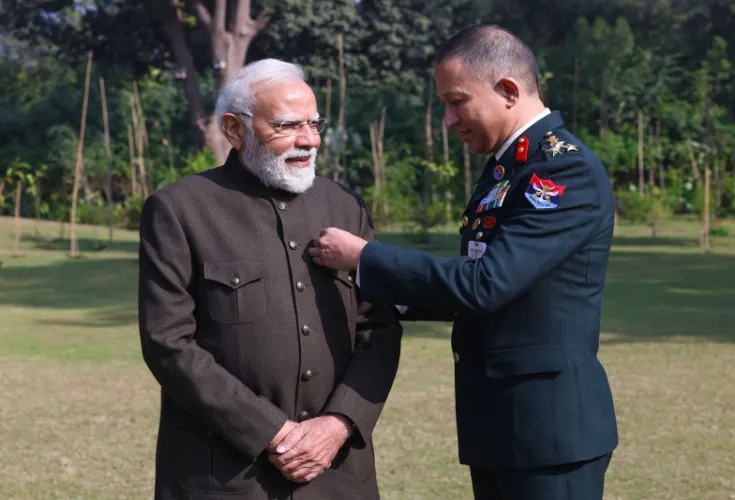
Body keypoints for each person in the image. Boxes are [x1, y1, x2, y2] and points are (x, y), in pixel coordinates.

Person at [309, 25, 618, 500]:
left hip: (549, 433)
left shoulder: (561, 169)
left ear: (508, 91)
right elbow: (481, 289)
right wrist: (376, 296)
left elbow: (485, 283)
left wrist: (365, 257)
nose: (449, 119)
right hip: (501, 424)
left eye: (456, 101)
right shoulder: (508, 166)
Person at [137, 58, 402, 500]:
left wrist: (339, 424)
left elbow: (379, 327)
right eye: (287, 125)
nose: (309, 140)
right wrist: (270, 431)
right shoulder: (180, 211)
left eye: (314, 124)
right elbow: (167, 342)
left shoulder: (344, 207)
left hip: (336, 472)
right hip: (225, 476)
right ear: (234, 129)